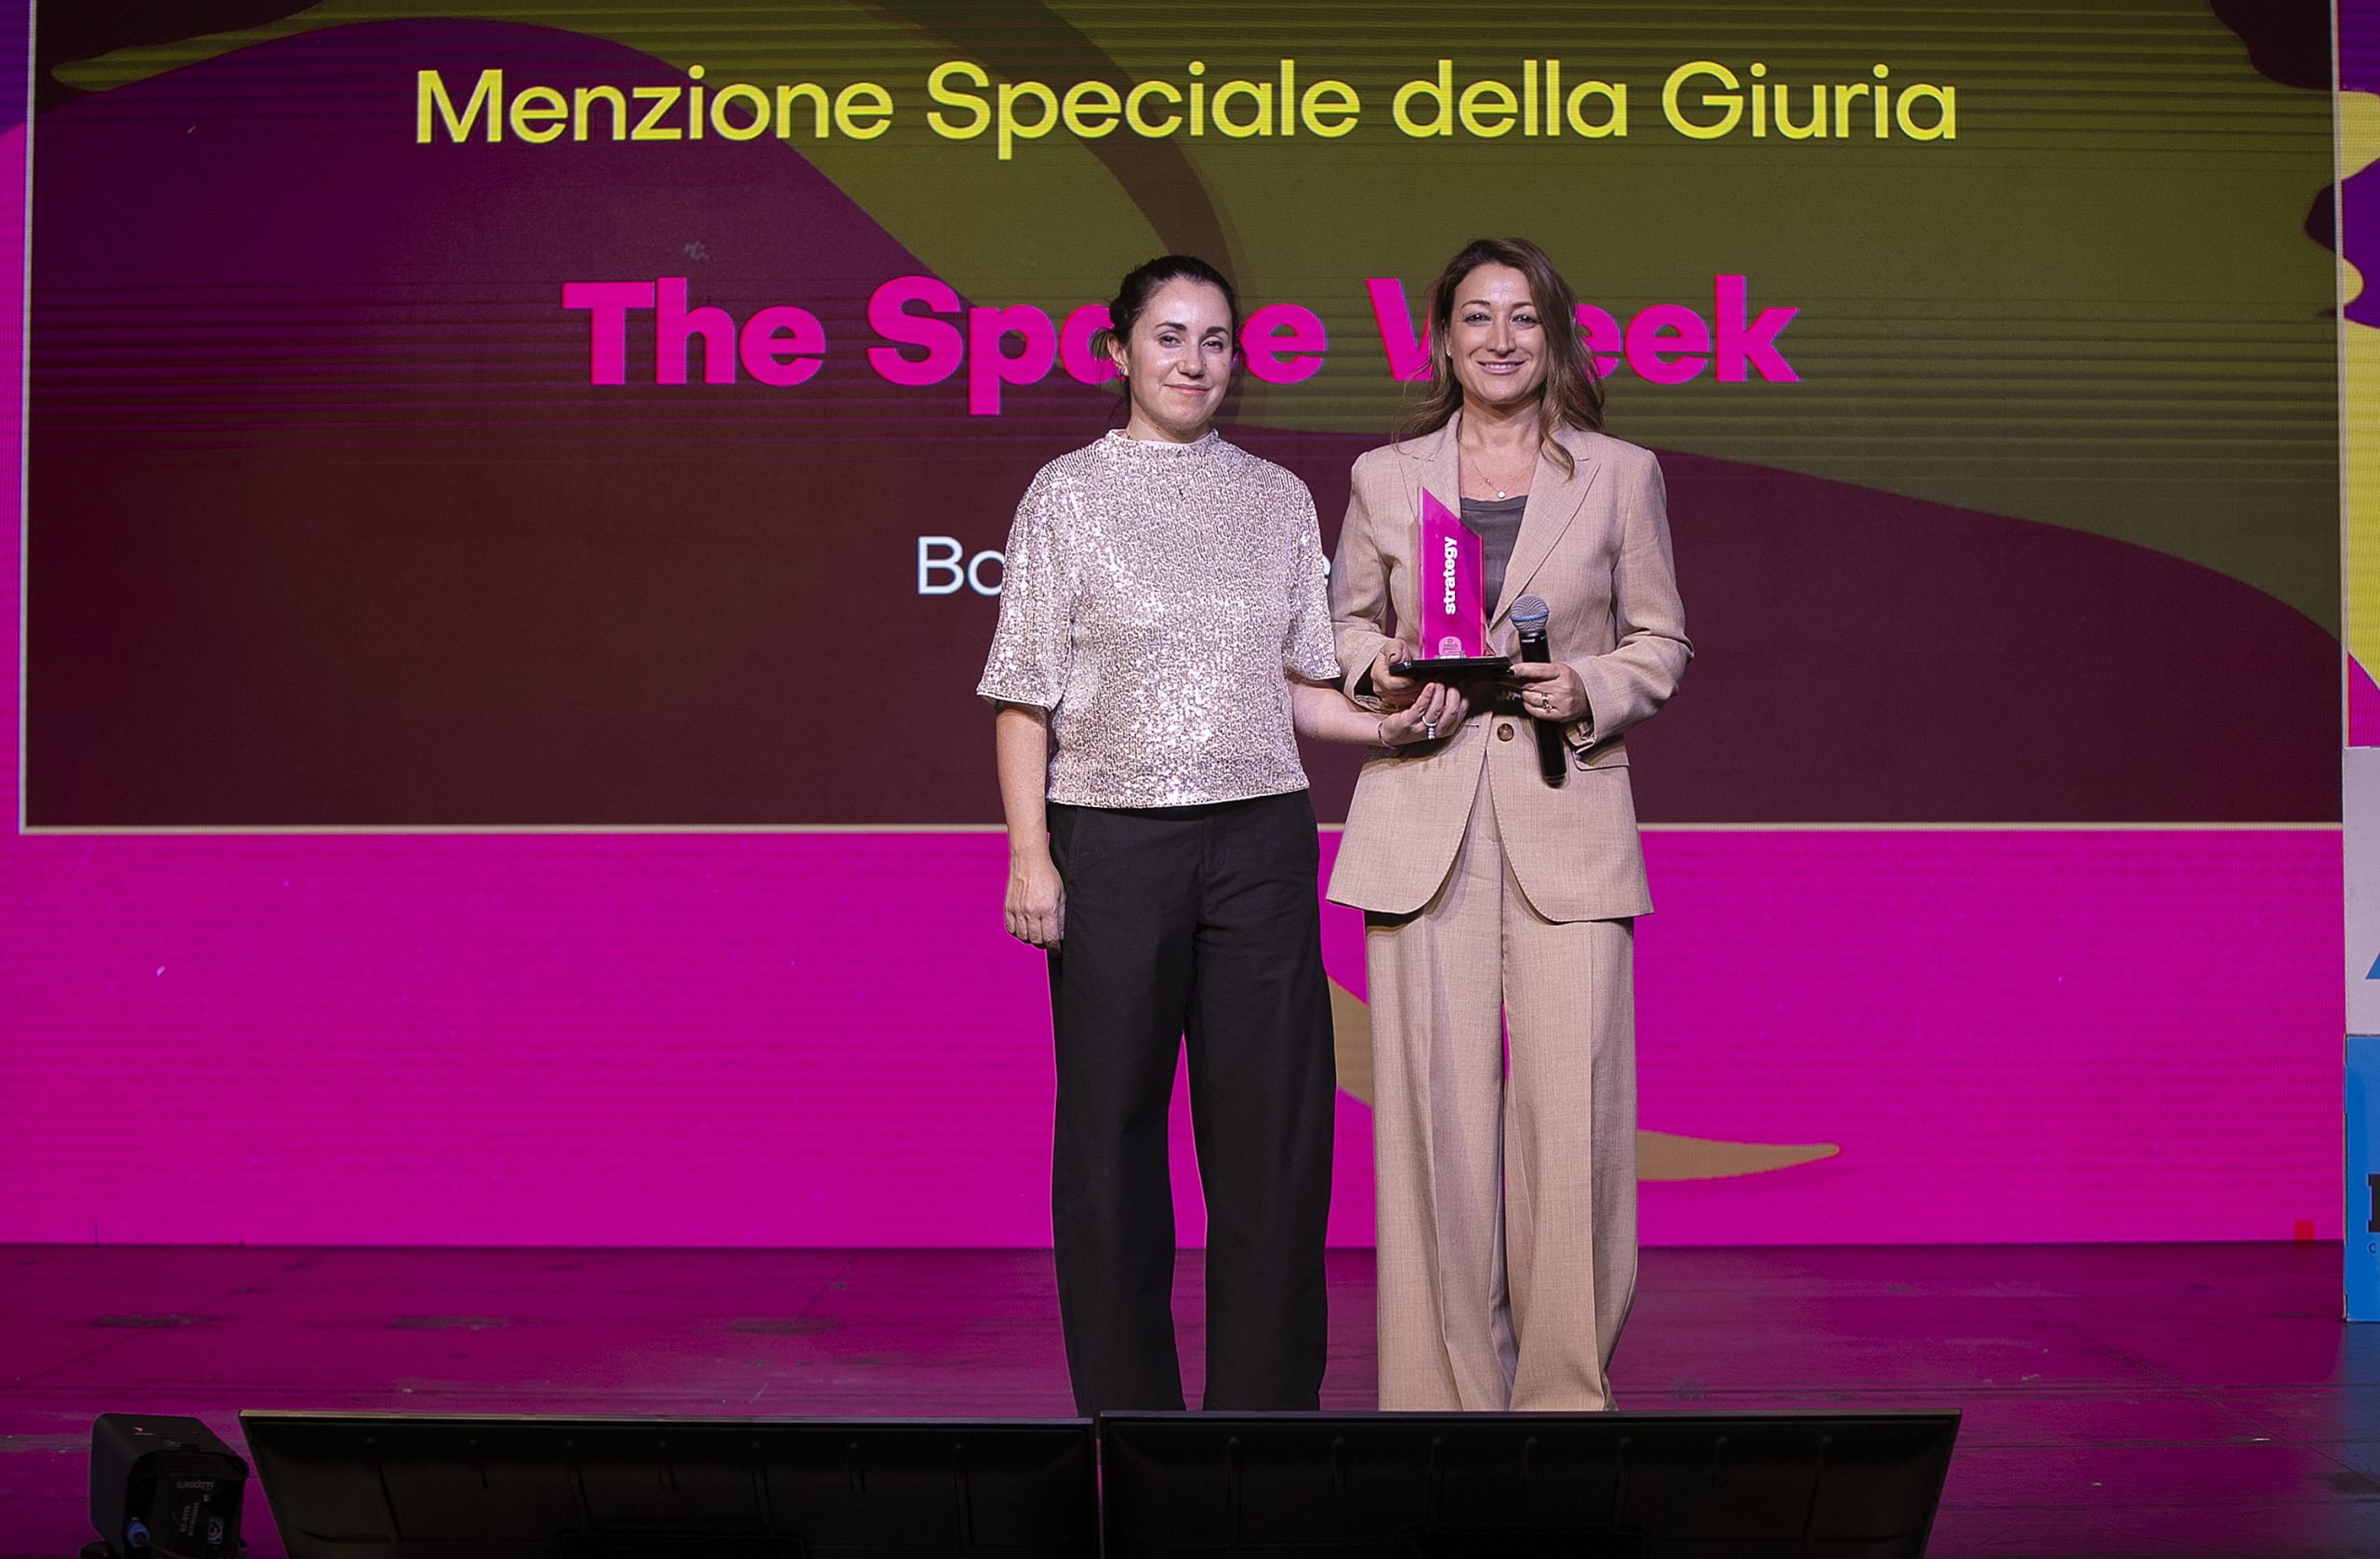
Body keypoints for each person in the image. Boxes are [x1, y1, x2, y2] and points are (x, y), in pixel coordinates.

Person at [978, 254, 1465, 1416]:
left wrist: (1390, 724)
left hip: (1260, 844)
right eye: (1169, 337)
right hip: (1109, 846)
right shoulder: (1066, 494)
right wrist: (1030, 855)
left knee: (1274, 1142)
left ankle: (1264, 1424)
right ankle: (1130, 1421)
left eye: (1214, 342)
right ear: (1118, 352)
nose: (1193, 362)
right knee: (1109, 1145)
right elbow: (1022, 694)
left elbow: (1293, 686)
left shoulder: (1276, 497)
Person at [1328, 237, 1690, 1411]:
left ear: (1554, 336)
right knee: (1432, 1128)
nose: (1499, 339)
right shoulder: (1385, 476)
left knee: (1571, 1123)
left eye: (1522, 317)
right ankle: (1441, 1405)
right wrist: (1382, 671)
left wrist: (1588, 685)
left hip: (1565, 814)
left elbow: (1660, 640)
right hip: (1418, 819)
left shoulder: (1620, 474)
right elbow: (1343, 627)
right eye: (1476, 317)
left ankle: (1562, 1401)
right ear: (1441, 339)